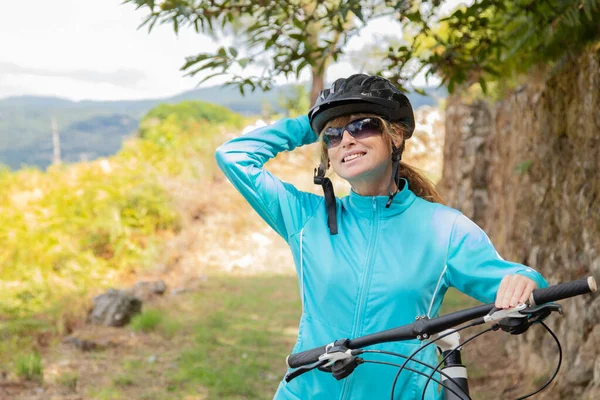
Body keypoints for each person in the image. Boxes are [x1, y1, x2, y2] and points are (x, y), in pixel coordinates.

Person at [215, 74, 547, 399]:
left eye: (362, 126)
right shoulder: (306, 218)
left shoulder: (444, 229)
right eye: (334, 135)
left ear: (396, 136)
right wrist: (313, 122)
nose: (346, 139)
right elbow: (234, 156)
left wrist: (526, 283)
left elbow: (520, 283)